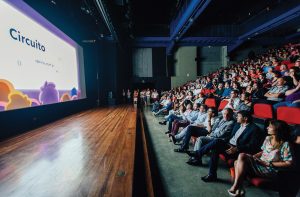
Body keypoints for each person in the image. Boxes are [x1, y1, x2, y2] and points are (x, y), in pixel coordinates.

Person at [186, 111, 262, 183]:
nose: (237, 117)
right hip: (228, 145)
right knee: (216, 147)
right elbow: (230, 136)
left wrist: (237, 148)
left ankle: (198, 154)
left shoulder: (254, 129)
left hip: (237, 150)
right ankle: (212, 175)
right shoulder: (237, 124)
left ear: (245, 118)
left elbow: (252, 146)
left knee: (217, 143)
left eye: (239, 116)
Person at [228, 120, 293, 196]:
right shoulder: (268, 138)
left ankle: (237, 187)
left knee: (241, 156)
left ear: (278, 129)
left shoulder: (285, 144)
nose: (267, 128)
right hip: (259, 163)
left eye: (270, 127)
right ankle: (239, 188)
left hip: (269, 169)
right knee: (237, 161)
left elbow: (288, 163)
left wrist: (269, 163)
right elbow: (263, 152)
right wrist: (254, 156)